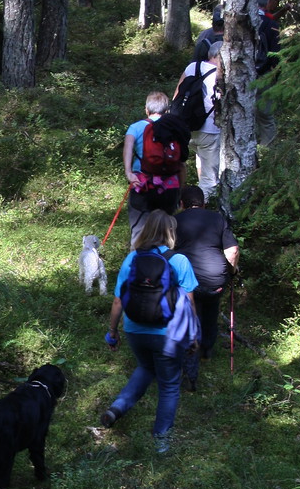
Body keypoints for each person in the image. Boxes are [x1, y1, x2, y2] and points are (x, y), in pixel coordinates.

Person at [99, 210, 198, 454]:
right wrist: (193, 336)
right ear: (171, 232)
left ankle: (117, 408)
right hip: (168, 334)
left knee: (146, 367)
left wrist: (113, 331)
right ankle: (161, 439)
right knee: (169, 386)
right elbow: (190, 304)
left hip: (135, 330)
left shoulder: (132, 259)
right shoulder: (179, 261)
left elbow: (118, 302)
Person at [174, 187, 240, 387]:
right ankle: (207, 350)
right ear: (203, 204)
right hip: (215, 280)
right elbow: (233, 251)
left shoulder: (175, 221)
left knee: (191, 319)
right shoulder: (217, 218)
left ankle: (190, 370)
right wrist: (232, 272)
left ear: (182, 204)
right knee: (210, 310)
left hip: (188, 281)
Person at [123, 90, 184, 245]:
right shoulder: (174, 128)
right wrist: (179, 190)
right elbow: (182, 162)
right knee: (169, 229)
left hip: (142, 184)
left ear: (146, 109)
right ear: (167, 110)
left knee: (139, 230)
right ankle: (167, 263)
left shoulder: (135, 127)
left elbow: (128, 148)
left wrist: (129, 173)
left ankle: (136, 262)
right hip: (169, 186)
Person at [175, 40, 223, 201]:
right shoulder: (221, 73)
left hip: (186, 128)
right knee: (210, 176)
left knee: (200, 158)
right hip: (209, 129)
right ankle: (202, 208)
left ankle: (188, 200)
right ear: (219, 56)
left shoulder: (192, 67)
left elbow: (178, 95)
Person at [255, 0, 282, 145]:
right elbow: (275, 54)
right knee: (266, 117)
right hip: (264, 74)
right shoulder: (271, 24)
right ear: (267, 3)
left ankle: (246, 151)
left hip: (241, 73)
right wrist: (275, 75)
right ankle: (266, 152)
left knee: (244, 116)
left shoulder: (243, 20)